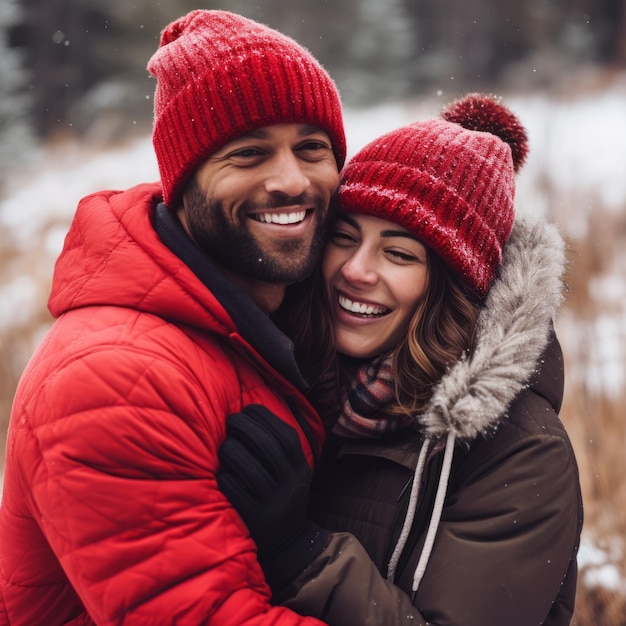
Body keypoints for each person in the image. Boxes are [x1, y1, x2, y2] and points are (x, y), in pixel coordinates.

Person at [0, 9, 347, 625]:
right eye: (249, 154)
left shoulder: (281, 316)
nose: (292, 181)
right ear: (183, 181)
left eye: (312, 148)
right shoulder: (114, 378)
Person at [217, 94, 584, 626]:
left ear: (451, 288)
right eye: (344, 237)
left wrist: (302, 551)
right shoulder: (292, 379)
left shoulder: (521, 453)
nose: (356, 271)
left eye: (399, 253)